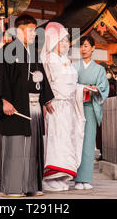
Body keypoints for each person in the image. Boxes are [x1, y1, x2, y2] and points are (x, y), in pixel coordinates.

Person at [0, 14, 54, 198]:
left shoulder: (32, 53)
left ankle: (30, 185)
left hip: (34, 107)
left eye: (35, 30)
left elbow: (41, 78)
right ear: (19, 30)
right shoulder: (7, 51)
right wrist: (4, 100)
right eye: (31, 30)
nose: (34, 34)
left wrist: (45, 100)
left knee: (33, 147)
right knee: (16, 146)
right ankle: (13, 187)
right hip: (16, 107)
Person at [40, 22, 86, 192]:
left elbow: (73, 83)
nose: (66, 44)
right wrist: (46, 101)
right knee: (55, 140)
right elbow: (43, 83)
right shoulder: (46, 59)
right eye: (62, 41)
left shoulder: (66, 60)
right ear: (53, 41)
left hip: (69, 106)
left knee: (66, 140)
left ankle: (61, 175)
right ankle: (49, 176)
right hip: (55, 105)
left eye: (67, 41)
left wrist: (82, 89)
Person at [72, 35, 109, 190]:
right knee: (76, 142)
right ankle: (75, 177)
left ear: (93, 48)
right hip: (76, 108)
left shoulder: (99, 69)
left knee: (88, 143)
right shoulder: (73, 66)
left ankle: (86, 178)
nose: (83, 49)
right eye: (81, 46)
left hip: (90, 107)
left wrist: (94, 89)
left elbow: (103, 88)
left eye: (86, 46)